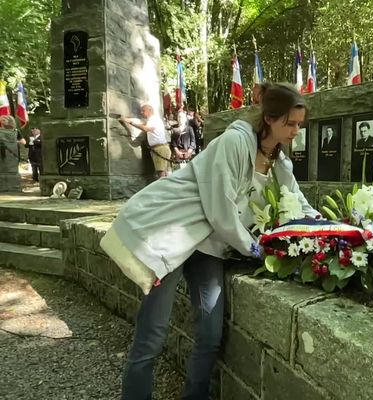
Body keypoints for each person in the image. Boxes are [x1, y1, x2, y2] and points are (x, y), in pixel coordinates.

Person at [106, 82, 319, 400]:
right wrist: (256, 249)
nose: (295, 132)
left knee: (210, 333)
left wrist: (331, 229)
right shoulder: (233, 143)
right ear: (270, 118)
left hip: (210, 247)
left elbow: (298, 202)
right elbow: (220, 211)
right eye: (290, 124)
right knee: (153, 333)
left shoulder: (279, 162)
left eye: (299, 125)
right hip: (173, 233)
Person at [120, 104, 171, 178]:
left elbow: (146, 128)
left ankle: (163, 189)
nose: (141, 112)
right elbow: (141, 123)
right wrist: (128, 119)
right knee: (165, 173)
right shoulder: (152, 120)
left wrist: (130, 122)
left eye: (143, 110)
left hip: (160, 149)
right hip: (160, 148)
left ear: (150, 110)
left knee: (161, 173)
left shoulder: (154, 119)